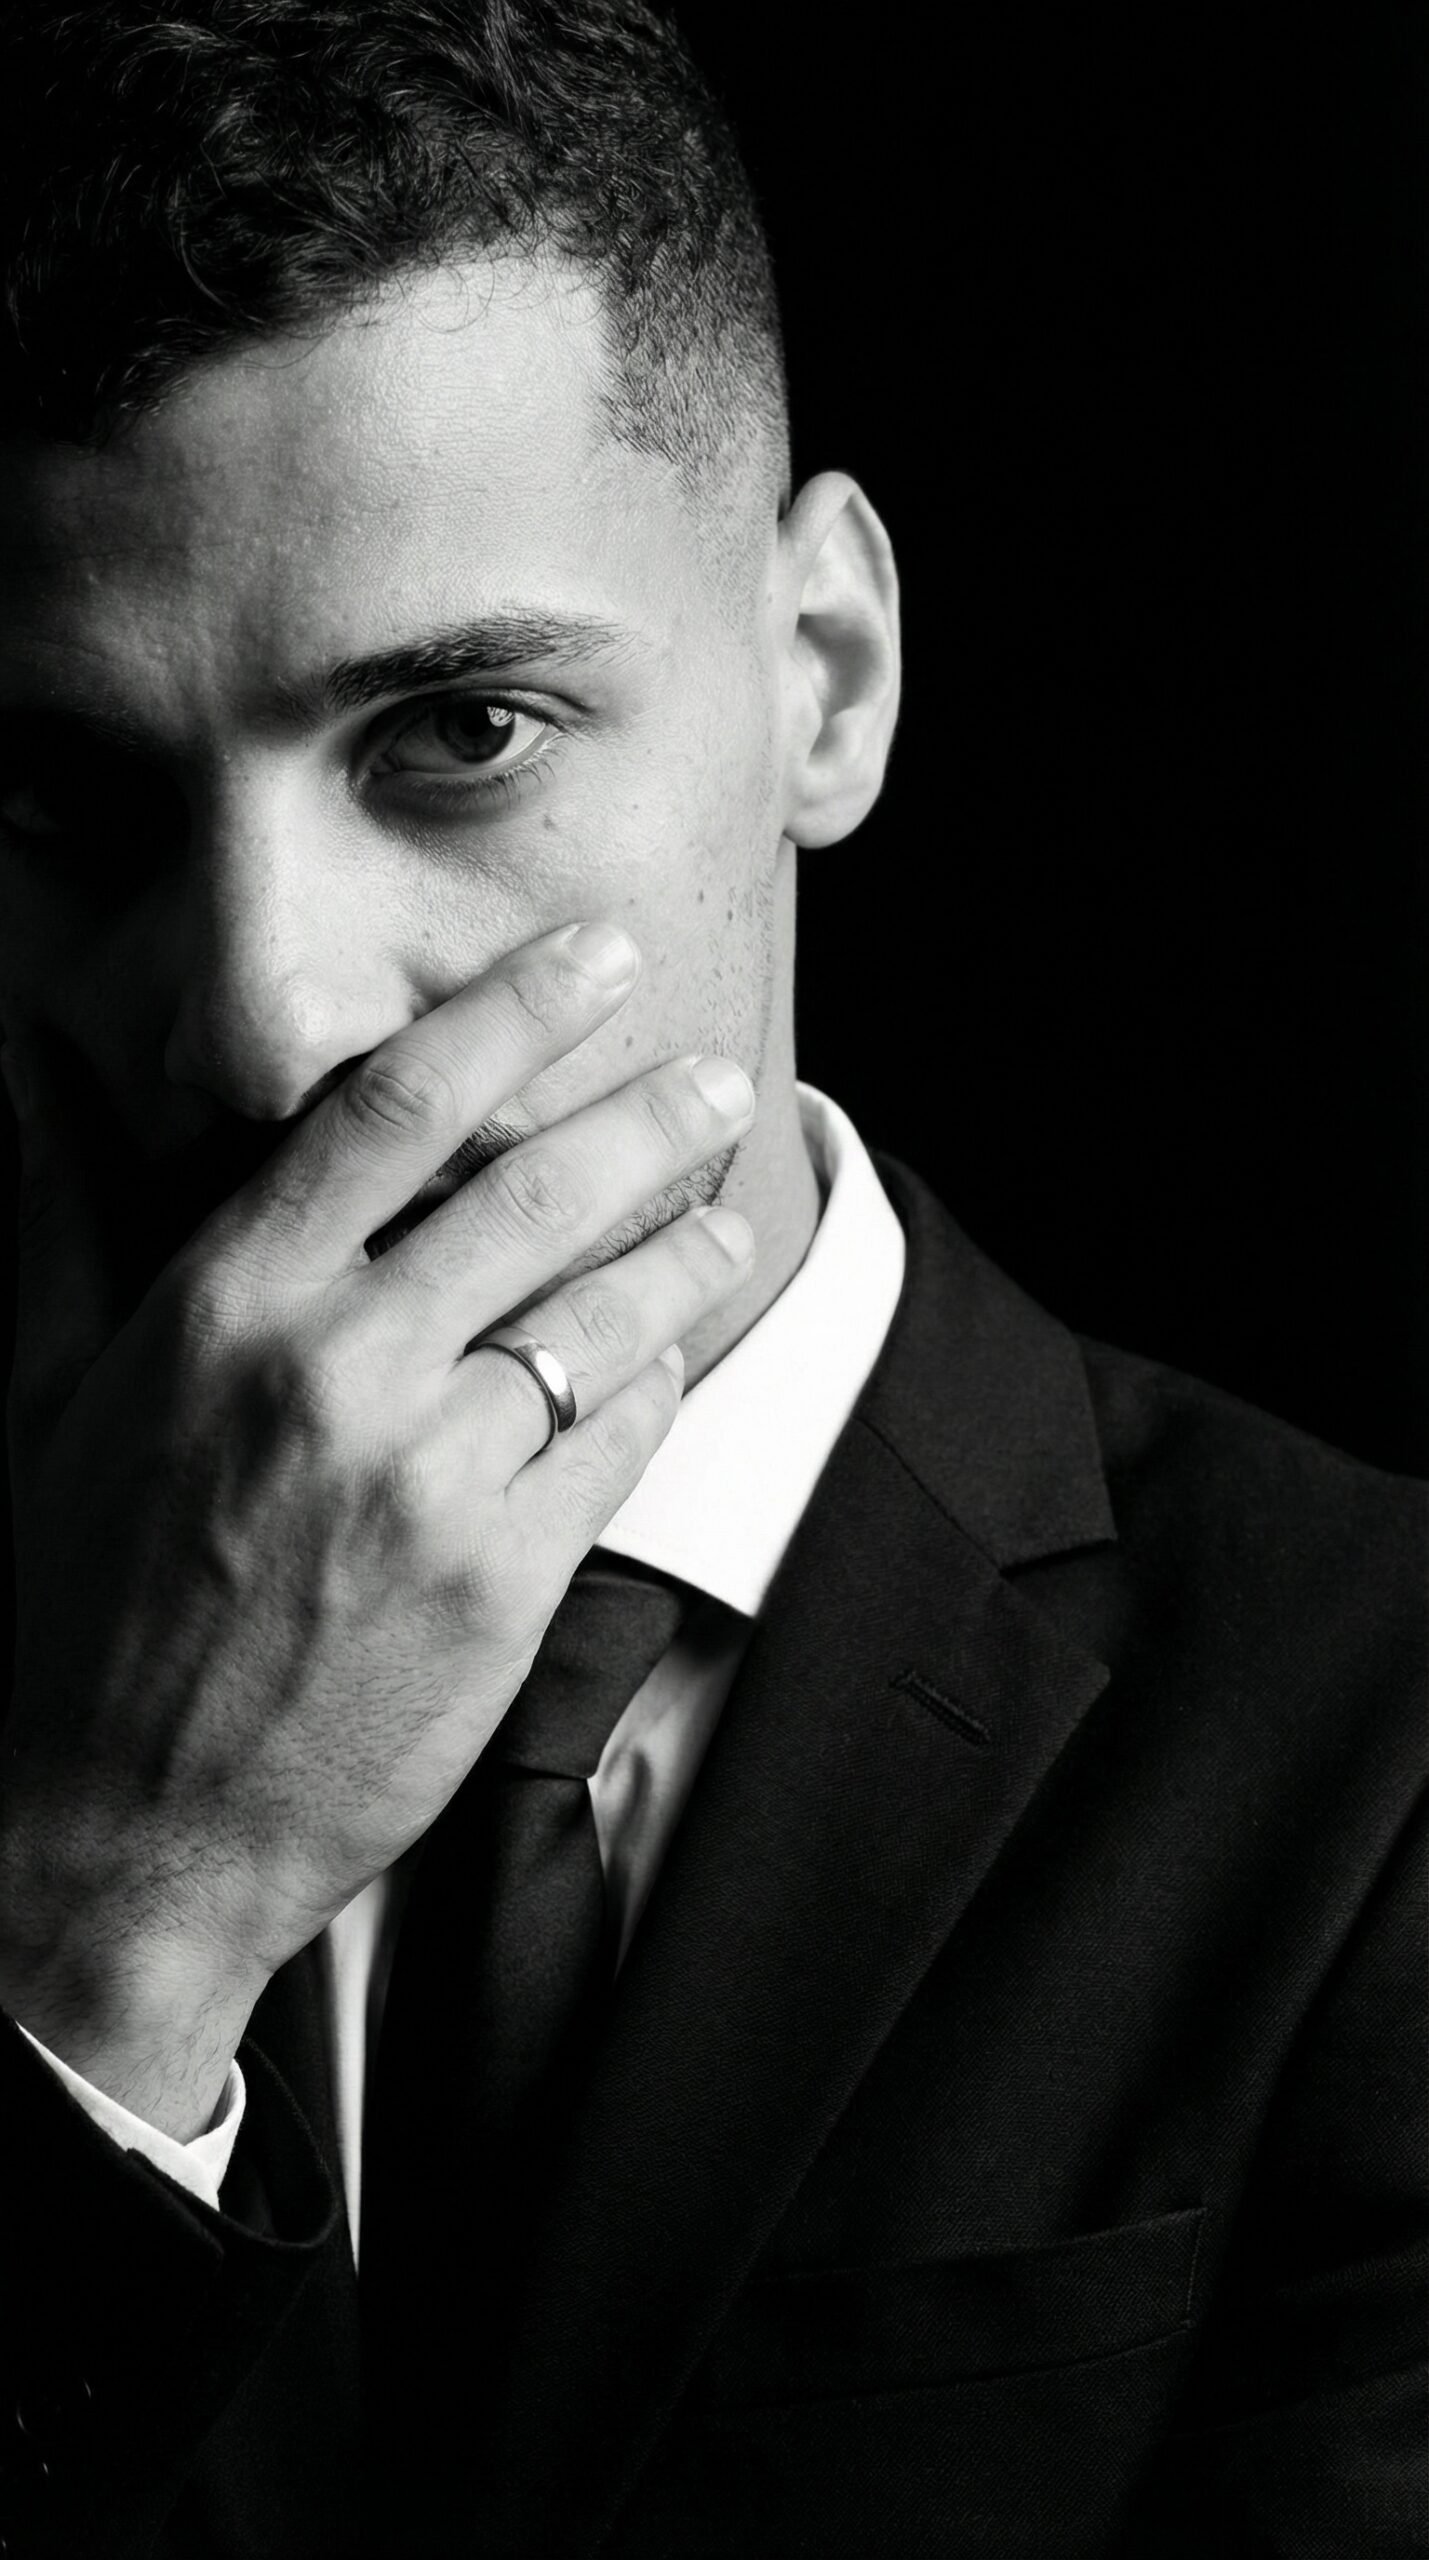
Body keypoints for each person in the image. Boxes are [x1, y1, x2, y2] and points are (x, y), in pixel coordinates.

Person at [0, 2, 1421, 2553]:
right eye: (60, 794)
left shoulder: (1379, 1740)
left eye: (461, 730)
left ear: (824, 679)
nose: (262, 1017)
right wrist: (119, 1922)